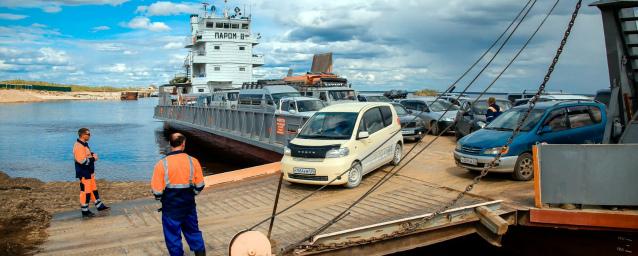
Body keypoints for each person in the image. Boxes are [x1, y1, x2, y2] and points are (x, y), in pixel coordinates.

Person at [151, 133, 206, 256]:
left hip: (171, 209)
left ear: (170, 144)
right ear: (183, 144)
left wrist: (162, 198)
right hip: (188, 206)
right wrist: (192, 194)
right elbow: (200, 185)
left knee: (173, 239)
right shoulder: (193, 161)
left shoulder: (161, 164)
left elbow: (157, 192)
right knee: (193, 233)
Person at [73, 128, 109, 218]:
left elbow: (87, 154)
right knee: (85, 192)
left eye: (89, 134)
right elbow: (82, 161)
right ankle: (85, 211)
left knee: (93, 189)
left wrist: (92, 155)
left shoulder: (84, 144)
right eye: (88, 134)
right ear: (82, 135)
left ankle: (99, 206)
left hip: (89, 172)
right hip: (84, 173)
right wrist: (94, 159)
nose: (89, 135)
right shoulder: (78, 146)